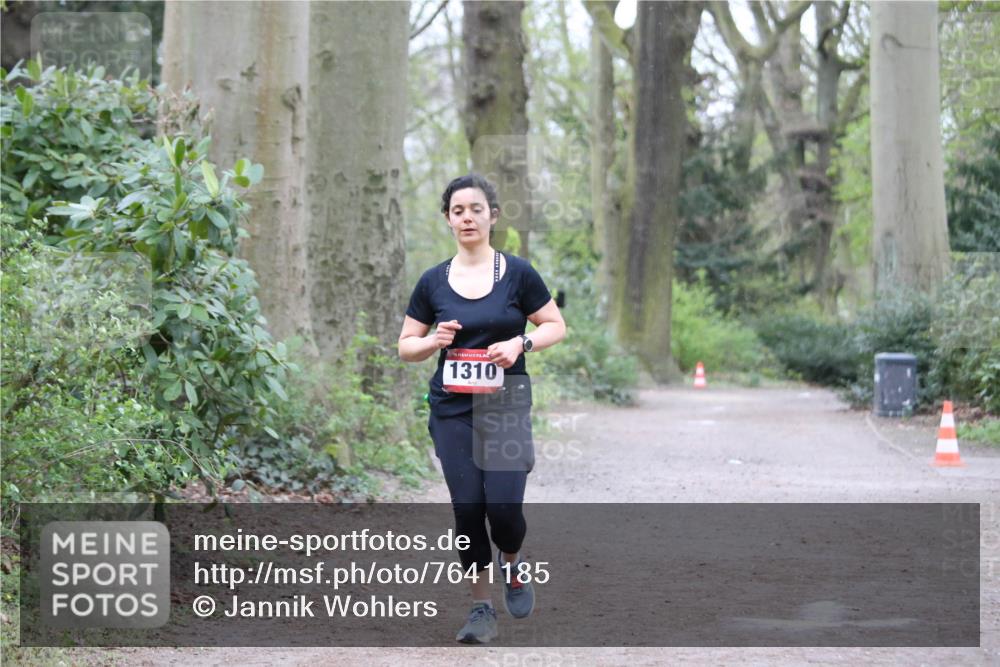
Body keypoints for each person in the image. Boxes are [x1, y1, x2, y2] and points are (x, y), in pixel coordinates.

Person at [398, 174, 566, 644]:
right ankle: (480, 608)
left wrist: (520, 343)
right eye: (458, 211)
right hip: (452, 409)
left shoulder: (518, 273)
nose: (467, 217)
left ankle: (512, 563)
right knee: (468, 509)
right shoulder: (433, 281)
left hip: (505, 405)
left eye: (476, 209)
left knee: (505, 512)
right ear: (448, 220)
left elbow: (555, 325)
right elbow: (406, 346)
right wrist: (433, 340)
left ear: (492, 216)